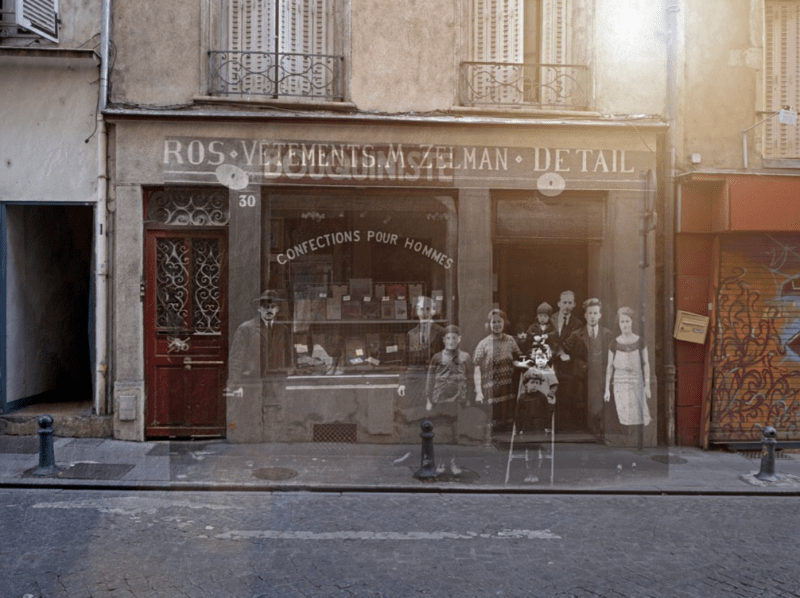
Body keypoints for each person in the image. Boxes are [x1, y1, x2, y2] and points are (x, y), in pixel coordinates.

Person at [563, 298, 613, 437]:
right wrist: (564, 356)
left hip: (600, 374)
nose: (592, 316)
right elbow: (563, 349)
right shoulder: (576, 334)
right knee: (582, 401)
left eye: (595, 313)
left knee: (599, 401)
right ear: (585, 315)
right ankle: (584, 430)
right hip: (582, 375)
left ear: (600, 315)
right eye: (589, 313)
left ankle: (598, 430)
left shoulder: (607, 334)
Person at [473, 309, 522, 431]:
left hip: (508, 389)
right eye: (493, 322)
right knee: (492, 427)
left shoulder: (510, 340)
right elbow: (477, 368)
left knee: (507, 426)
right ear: (489, 324)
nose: (496, 325)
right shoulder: (483, 344)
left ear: (504, 323)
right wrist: (479, 392)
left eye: (499, 322)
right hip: (490, 390)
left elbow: (518, 359)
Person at [228, 289, 292, 382]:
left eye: (272, 306)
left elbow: (288, 358)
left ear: (277, 309)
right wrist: (235, 385)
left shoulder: (283, 329)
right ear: (259, 308)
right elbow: (236, 359)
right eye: (266, 306)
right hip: (253, 382)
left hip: (277, 383)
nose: (269, 310)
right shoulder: (246, 328)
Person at [604, 306, 652, 427]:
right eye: (622, 321)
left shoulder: (640, 342)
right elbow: (609, 367)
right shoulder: (614, 344)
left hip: (636, 382)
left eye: (627, 321)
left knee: (640, 416)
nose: (625, 324)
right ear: (619, 324)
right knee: (624, 417)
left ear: (632, 322)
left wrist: (647, 386)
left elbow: (646, 364)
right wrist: (607, 390)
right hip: (620, 384)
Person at [398, 296, 446, 400]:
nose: (424, 313)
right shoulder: (411, 334)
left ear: (433, 311)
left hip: (435, 381)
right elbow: (405, 360)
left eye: (428, 309)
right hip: (415, 382)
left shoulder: (442, 332)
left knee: (435, 413)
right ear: (416, 311)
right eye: (421, 309)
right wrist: (402, 383)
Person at [551, 290, 583, 431]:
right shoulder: (550, 319)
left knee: (567, 394)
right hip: (551, 363)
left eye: (570, 303)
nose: (567, 306)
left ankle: (564, 426)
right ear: (558, 303)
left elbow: (575, 344)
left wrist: (564, 353)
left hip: (568, 365)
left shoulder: (578, 324)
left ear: (575, 304)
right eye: (564, 302)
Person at [425, 325, 473, 412]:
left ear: (459, 339)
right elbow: (430, 379)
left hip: (460, 399)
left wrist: (469, 399)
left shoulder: (465, 356)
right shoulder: (437, 357)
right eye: (448, 338)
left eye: (454, 338)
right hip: (440, 398)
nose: (451, 341)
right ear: (443, 340)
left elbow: (470, 379)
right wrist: (428, 400)